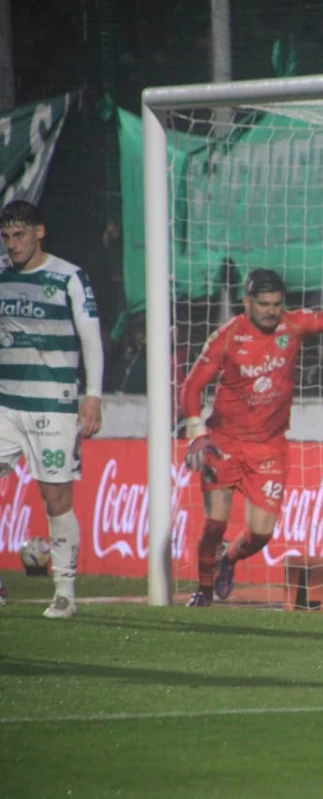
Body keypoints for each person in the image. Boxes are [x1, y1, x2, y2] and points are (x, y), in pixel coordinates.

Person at [179, 269, 323, 606]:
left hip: (269, 447)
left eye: (276, 304)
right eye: (264, 304)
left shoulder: (294, 325)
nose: (271, 311)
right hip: (224, 442)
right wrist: (197, 432)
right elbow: (192, 386)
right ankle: (204, 589)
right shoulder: (228, 336)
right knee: (215, 523)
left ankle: (229, 559)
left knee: (261, 534)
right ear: (247, 303)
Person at [0, 201, 105, 619]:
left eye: (20, 235)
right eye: (6, 236)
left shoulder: (68, 278)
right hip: (5, 405)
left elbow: (91, 339)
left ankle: (64, 591)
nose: (12, 244)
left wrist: (93, 395)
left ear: (39, 232)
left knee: (55, 497)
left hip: (54, 407)